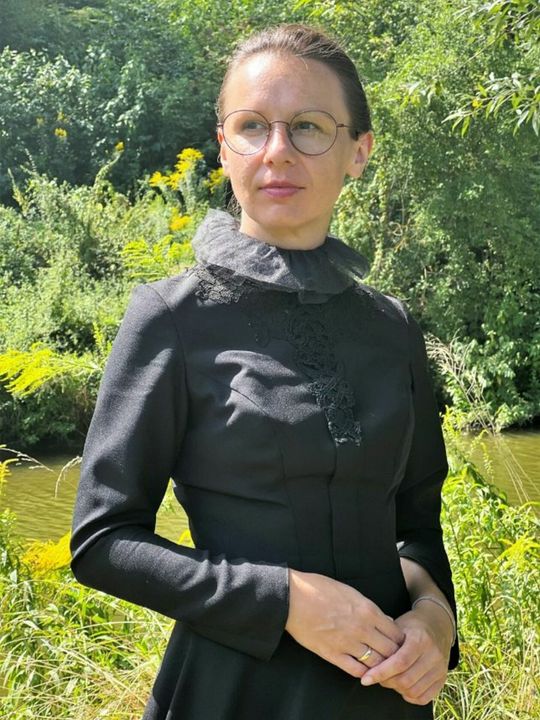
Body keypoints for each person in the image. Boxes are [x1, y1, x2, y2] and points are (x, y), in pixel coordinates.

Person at [70, 23, 459, 720]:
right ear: (224, 148)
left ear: (359, 151)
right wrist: (284, 600)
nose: (277, 150)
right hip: (234, 693)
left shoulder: (393, 326)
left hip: (388, 696)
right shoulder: (171, 317)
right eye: (252, 126)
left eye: (308, 126)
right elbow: (104, 542)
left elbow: (417, 525)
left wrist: (434, 618)